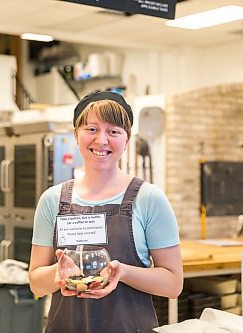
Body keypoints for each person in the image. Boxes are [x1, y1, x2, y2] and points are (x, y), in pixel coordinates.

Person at [28, 91, 183, 332]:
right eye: (92, 129)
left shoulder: (149, 199)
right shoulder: (52, 200)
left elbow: (173, 284)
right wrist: (58, 273)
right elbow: (36, 284)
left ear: (127, 140)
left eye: (113, 131)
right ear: (76, 135)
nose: (102, 140)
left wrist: (123, 273)